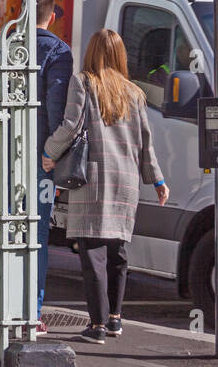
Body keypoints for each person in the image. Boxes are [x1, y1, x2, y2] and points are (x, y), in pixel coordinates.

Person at [42, 28, 169, 345]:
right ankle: (115, 319)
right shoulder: (134, 92)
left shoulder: (83, 83)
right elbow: (145, 144)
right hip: (126, 181)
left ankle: (97, 324)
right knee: (118, 252)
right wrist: (158, 180)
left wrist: (48, 152)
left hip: (93, 181)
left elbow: (70, 126)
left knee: (92, 253)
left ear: (92, 52)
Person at [33, 0, 72, 332]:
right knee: (36, 232)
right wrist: (52, 156)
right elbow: (57, 110)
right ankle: (31, 309)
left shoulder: (4, 48)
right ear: (53, 16)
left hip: (0, 156)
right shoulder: (58, 51)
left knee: (1, 229)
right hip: (38, 161)